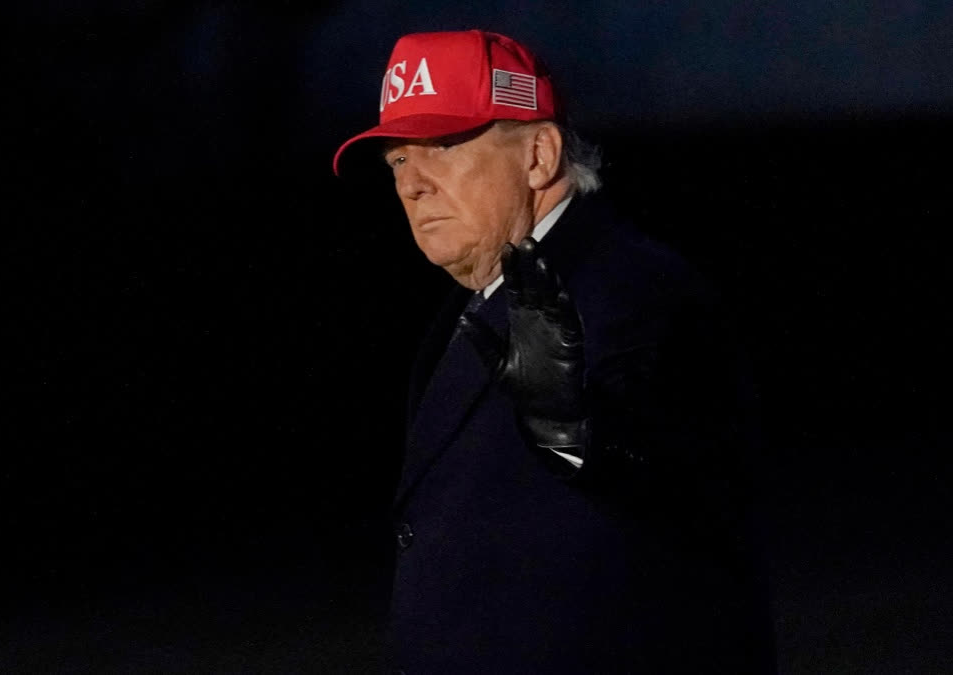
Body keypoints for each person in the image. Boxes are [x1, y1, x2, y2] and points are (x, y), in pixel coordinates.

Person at [332, 29, 777, 673]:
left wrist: (585, 439)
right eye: (397, 159)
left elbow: (695, 477)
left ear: (539, 155)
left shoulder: (633, 287)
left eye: (443, 146)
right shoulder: (475, 296)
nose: (412, 184)